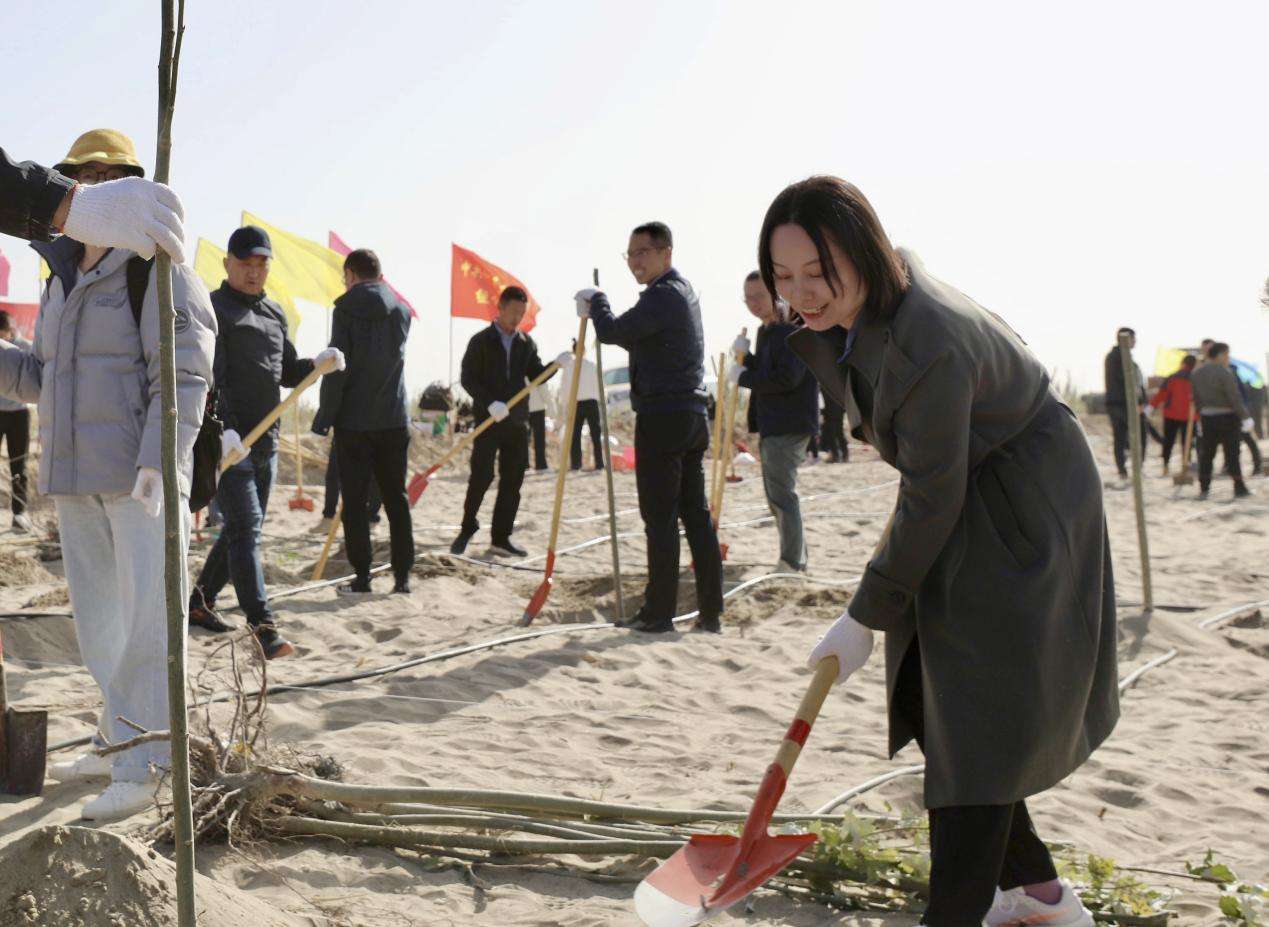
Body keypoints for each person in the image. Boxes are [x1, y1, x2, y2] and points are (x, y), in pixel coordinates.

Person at [763, 176, 1116, 927]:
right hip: (969, 488)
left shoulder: (928, 341)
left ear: (860, 251)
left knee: (975, 710)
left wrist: (862, 613)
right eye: (783, 275)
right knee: (931, 694)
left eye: (817, 273)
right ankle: (1040, 893)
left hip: (1025, 501)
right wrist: (874, 610)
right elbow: (928, 481)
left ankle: (954, 911)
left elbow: (931, 494)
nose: (802, 293)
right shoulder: (865, 311)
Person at [0, 129, 215, 821]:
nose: (92, 184)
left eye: (107, 174)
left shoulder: (156, 265)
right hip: (74, 478)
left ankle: (148, 763)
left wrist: (160, 457)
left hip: (137, 479)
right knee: (101, 627)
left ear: (129, 185)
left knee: (150, 625)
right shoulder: (61, 277)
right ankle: (113, 737)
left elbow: (184, 370)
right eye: (79, 175)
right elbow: (42, 379)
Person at [187, 226, 344, 658]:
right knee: (247, 530)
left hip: (265, 440)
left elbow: (287, 372)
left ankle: (198, 603)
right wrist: (225, 430)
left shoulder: (275, 314)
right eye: (246, 264)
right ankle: (264, 627)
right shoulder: (213, 309)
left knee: (241, 527)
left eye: (262, 264)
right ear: (228, 264)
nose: (254, 273)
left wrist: (319, 364)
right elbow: (209, 375)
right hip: (229, 439)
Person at [577, 222, 724, 634]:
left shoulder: (664, 295)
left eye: (643, 252)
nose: (635, 261)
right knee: (694, 515)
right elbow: (632, 335)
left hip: (665, 416)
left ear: (666, 253)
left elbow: (613, 332)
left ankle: (659, 613)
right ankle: (710, 612)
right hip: (690, 414)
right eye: (630, 254)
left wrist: (598, 302)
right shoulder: (681, 293)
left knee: (661, 517)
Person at [313, 248, 415, 595]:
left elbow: (339, 367)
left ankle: (363, 577)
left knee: (354, 502)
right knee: (396, 498)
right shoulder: (402, 310)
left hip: (354, 421)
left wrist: (324, 417)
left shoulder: (345, 308)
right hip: (393, 417)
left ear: (351, 274)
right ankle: (403, 577)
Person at [451, 286, 565, 556]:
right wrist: (489, 402)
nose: (517, 318)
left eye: (521, 314)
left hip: (516, 422)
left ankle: (501, 537)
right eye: (513, 312)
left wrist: (556, 366)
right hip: (488, 421)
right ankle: (468, 527)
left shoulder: (526, 343)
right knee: (481, 475)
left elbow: (535, 376)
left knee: (512, 479)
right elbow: (468, 378)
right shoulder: (481, 341)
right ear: (500, 308)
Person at [732, 271, 818, 572]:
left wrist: (744, 376)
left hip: (790, 422)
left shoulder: (790, 330)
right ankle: (794, 556)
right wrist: (747, 359)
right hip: (772, 422)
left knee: (781, 494)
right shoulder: (765, 330)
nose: (753, 302)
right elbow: (769, 370)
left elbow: (787, 378)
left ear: (776, 295)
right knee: (775, 495)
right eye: (748, 297)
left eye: (759, 296)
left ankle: (793, 561)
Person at [1, 140, 185, 260]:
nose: (101, 182)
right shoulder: (58, 271)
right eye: (89, 174)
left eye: (114, 178)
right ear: (70, 179)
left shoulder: (157, 270)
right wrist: (67, 204)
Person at [1191, 341, 1253, 499]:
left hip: (1207, 417)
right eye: (1227, 354)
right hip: (1228, 417)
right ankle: (1239, 487)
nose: (1228, 358)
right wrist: (1245, 417)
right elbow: (1234, 397)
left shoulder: (1196, 373)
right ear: (1219, 355)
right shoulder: (1224, 372)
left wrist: (1200, 417)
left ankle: (1204, 488)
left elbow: (1196, 399)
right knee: (1232, 453)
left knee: (1207, 454)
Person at [0, 311, 34, 532]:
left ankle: (19, 513)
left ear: (9, 331)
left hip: (19, 414)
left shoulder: (26, 348)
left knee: (19, 464)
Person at [1104, 327, 1148, 478]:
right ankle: (1131, 468)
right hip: (1124, 404)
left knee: (1121, 438)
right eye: (1133, 339)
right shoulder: (1119, 357)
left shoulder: (1119, 356)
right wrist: (1139, 401)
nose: (1135, 342)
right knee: (1133, 435)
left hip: (1119, 403)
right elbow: (1128, 383)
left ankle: (1125, 469)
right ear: (1127, 339)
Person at [1148, 354, 1196, 475]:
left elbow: (1162, 394)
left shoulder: (1172, 377)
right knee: (1187, 443)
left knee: (1168, 441)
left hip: (1171, 415)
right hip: (1189, 417)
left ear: (1183, 364)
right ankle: (1185, 466)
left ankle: (1166, 465)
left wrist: (1150, 407)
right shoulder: (1196, 378)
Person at [567, 340, 604, 470]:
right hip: (590, 402)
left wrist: (565, 404)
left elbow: (565, 387)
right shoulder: (591, 365)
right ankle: (599, 463)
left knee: (575, 435)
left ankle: (576, 464)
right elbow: (598, 385)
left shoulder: (570, 366)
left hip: (577, 402)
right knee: (595, 434)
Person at [820, 390, 848, 462]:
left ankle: (835, 456)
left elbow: (821, 403)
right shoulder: (836, 388)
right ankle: (845, 455)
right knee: (840, 434)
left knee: (831, 436)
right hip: (838, 413)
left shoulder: (824, 388)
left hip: (829, 414)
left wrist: (822, 413)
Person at [528, 383, 549, 472]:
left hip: (527, 406)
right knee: (539, 438)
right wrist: (551, 406)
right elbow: (544, 390)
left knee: (525, 439)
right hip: (536, 407)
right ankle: (541, 465)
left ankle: (526, 465)